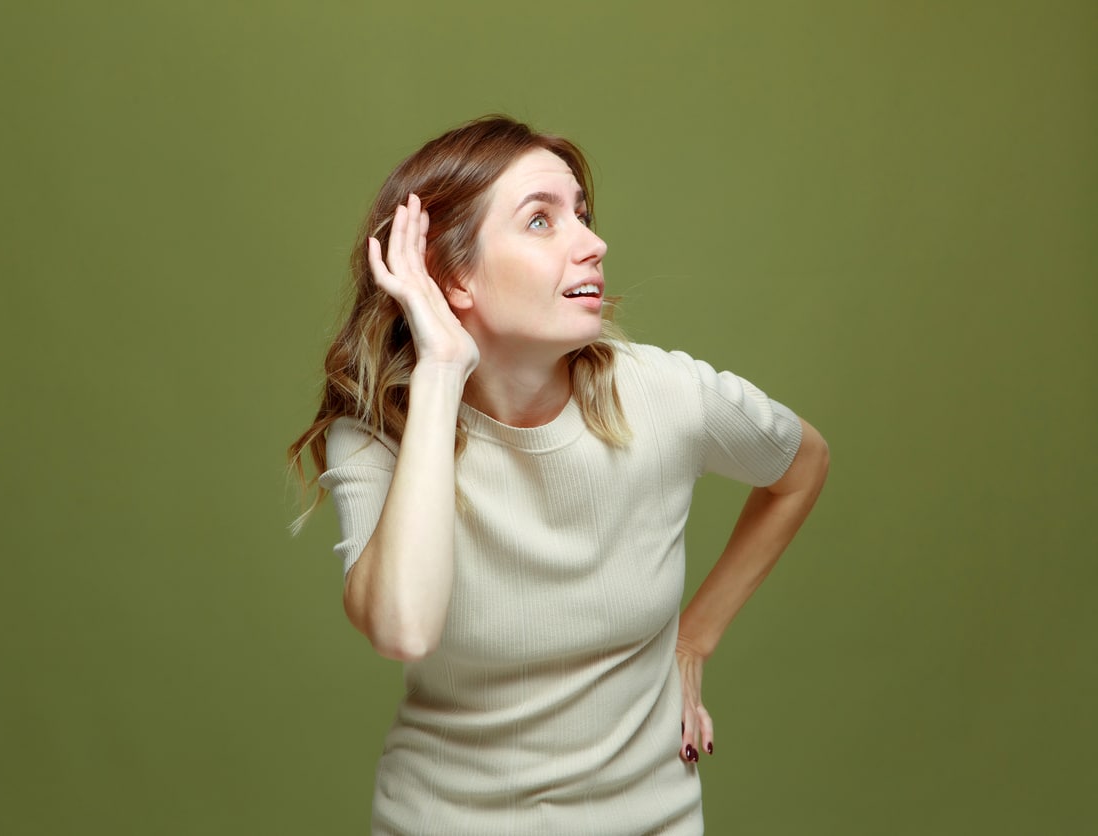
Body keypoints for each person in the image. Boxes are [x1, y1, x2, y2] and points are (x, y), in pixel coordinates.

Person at [288, 115, 829, 835]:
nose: (592, 243)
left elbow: (803, 464)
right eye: (541, 220)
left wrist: (693, 639)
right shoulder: (378, 435)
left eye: (582, 214)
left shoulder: (664, 395)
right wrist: (442, 370)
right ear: (454, 278)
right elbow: (403, 630)